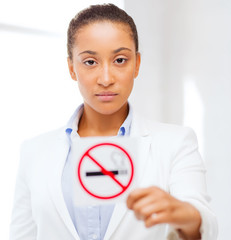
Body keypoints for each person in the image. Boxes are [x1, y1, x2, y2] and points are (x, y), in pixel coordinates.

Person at [9, 4, 217, 240]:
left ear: (137, 64)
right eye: (90, 62)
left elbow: (204, 225)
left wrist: (187, 217)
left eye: (120, 60)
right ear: (71, 68)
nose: (106, 79)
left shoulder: (176, 143)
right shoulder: (34, 152)